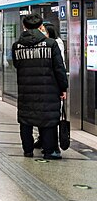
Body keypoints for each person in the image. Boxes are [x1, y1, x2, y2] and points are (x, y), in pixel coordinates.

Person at [11, 14, 67, 159]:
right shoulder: (50, 44)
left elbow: (17, 65)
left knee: (25, 120)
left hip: (25, 90)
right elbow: (59, 69)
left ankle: (28, 151)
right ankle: (49, 152)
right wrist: (63, 88)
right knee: (48, 120)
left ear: (24, 26)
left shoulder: (17, 46)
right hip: (48, 90)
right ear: (41, 27)